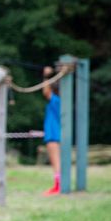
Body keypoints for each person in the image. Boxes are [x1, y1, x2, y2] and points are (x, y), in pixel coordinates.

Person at [42, 66, 62, 196]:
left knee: (56, 162)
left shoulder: (56, 101)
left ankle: (58, 187)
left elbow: (46, 92)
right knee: (57, 162)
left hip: (53, 134)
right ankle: (58, 186)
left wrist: (46, 77)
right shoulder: (62, 101)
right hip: (56, 134)